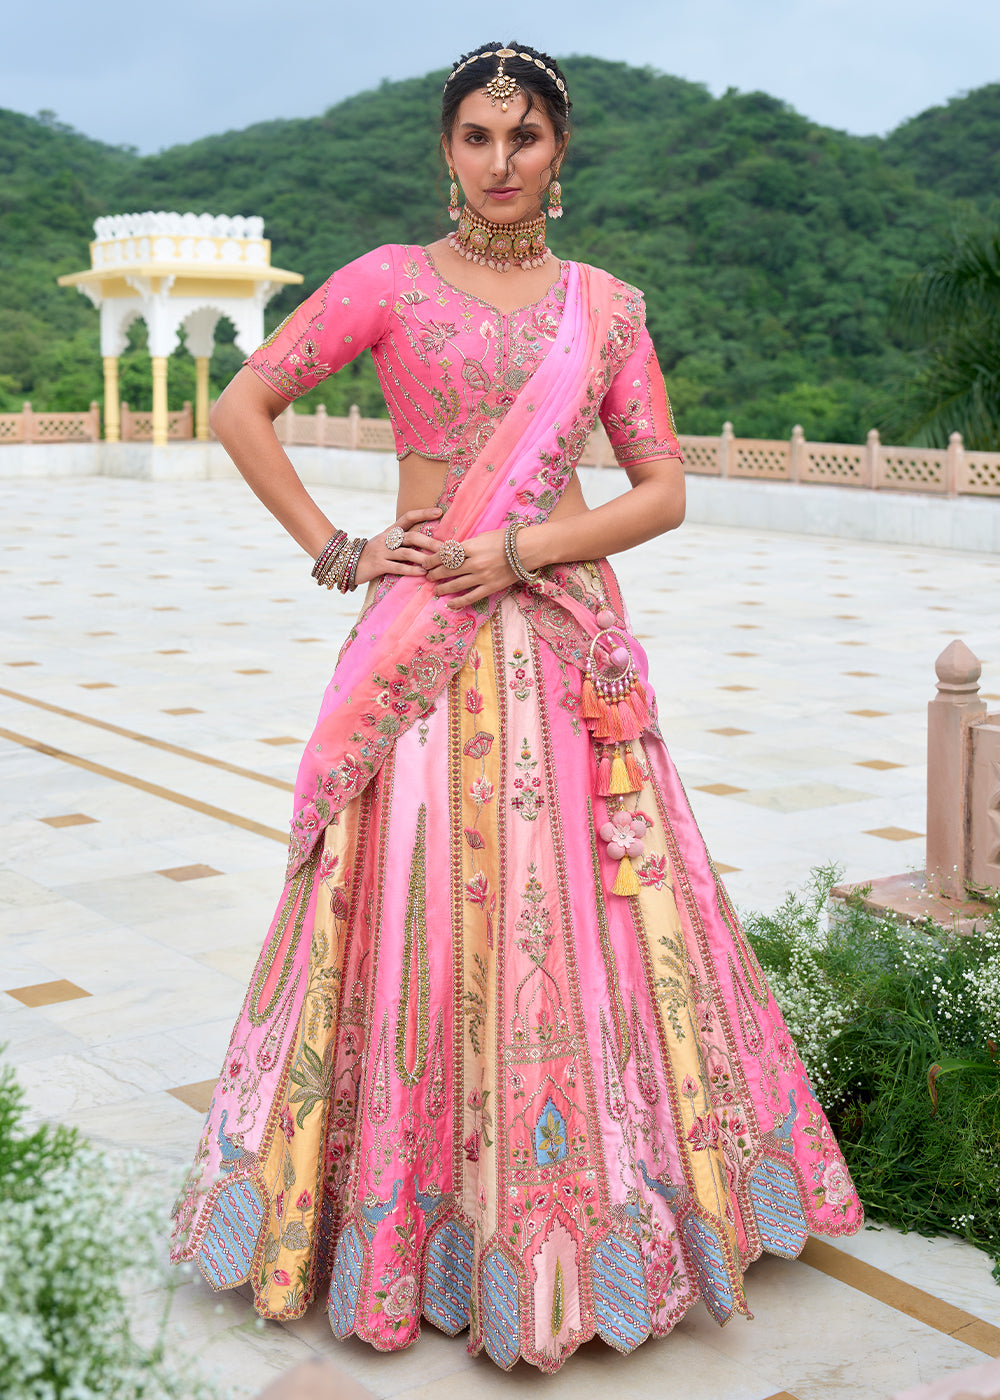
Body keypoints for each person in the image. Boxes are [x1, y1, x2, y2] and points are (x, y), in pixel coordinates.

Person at [170, 41, 863, 1373]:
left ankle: (620, 1203)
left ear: (561, 150)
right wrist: (339, 548)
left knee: (591, 912)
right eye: (478, 138)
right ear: (445, 150)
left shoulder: (602, 308)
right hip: (422, 647)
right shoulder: (385, 284)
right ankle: (395, 1218)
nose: (500, 163)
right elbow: (243, 404)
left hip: (556, 641)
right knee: (416, 908)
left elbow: (659, 486)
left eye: (526, 137)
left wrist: (524, 551)